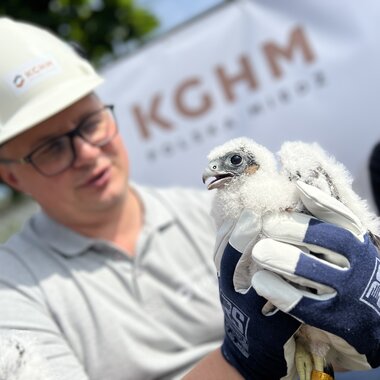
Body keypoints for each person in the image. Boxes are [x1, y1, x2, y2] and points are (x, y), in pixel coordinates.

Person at [0, 17, 379, 380]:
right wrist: (238, 363)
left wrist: (358, 322)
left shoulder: (214, 213)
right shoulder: (10, 289)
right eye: (50, 147)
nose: (86, 152)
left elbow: (334, 356)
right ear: (10, 174)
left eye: (90, 123)